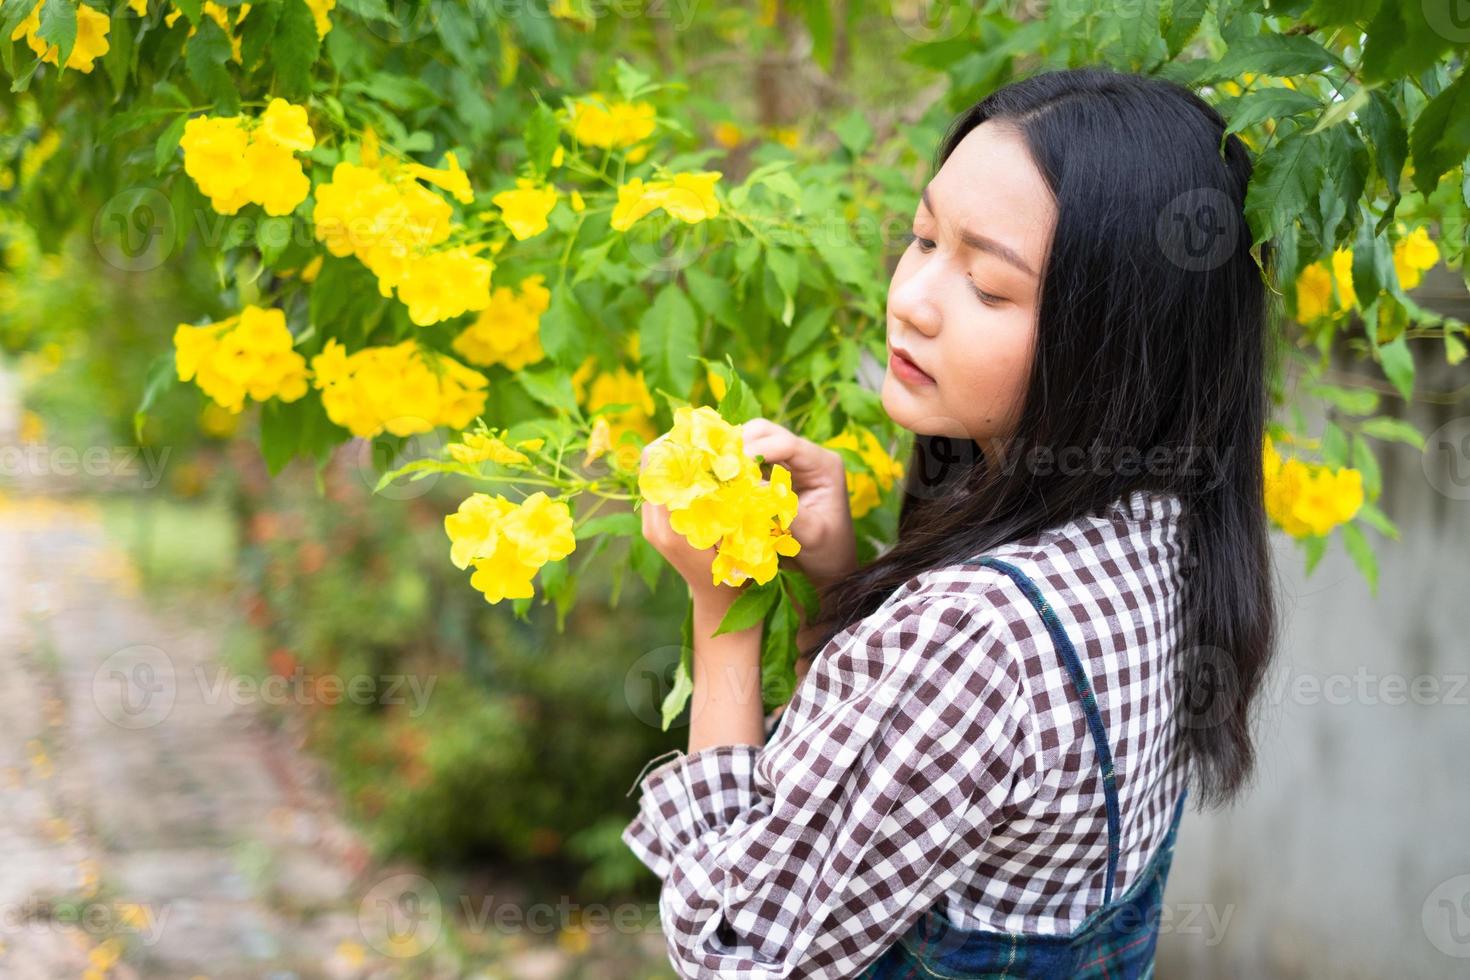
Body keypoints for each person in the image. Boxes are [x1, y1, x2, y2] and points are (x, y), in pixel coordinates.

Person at [625, 65, 1278, 979]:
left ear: (1112, 338)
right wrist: (831, 585)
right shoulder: (1162, 532)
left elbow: (738, 948)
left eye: (989, 286)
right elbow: (928, 799)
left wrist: (725, 615)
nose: (911, 299)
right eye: (924, 237)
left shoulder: (977, 633)